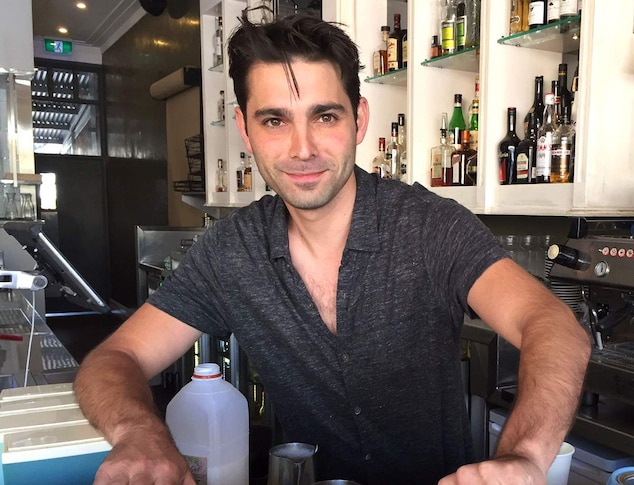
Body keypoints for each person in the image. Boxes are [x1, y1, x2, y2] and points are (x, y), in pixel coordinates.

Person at [74, 14, 591, 485]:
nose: (302, 149)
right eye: (275, 120)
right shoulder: (230, 252)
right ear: (245, 130)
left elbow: (550, 324)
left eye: (324, 116)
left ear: (359, 120)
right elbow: (115, 358)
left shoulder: (428, 227)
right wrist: (138, 432)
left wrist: (523, 456)